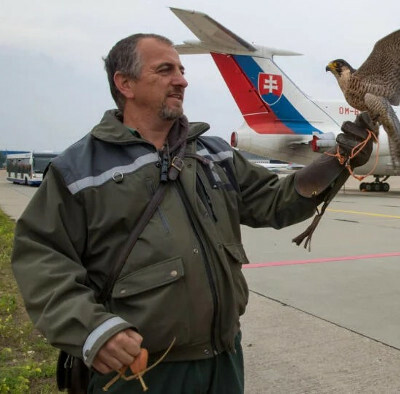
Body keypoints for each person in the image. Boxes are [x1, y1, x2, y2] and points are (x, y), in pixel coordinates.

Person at [11, 33, 373, 393]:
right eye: (165, 70)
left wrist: (336, 161)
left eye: (182, 70)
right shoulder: (80, 169)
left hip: (223, 361)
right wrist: (92, 329)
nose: (182, 79)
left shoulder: (213, 154)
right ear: (125, 83)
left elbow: (273, 201)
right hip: (141, 372)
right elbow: (41, 256)